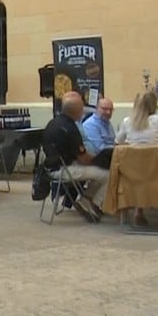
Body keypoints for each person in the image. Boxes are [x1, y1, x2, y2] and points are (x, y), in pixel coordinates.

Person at [42, 93, 110, 223]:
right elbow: (83, 159)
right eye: (82, 108)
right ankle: (91, 203)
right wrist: (99, 160)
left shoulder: (54, 123)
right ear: (77, 111)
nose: (83, 110)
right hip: (65, 169)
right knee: (108, 175)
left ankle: (86, 199)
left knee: (98, 173)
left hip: (51, 167)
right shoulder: (71, 128)